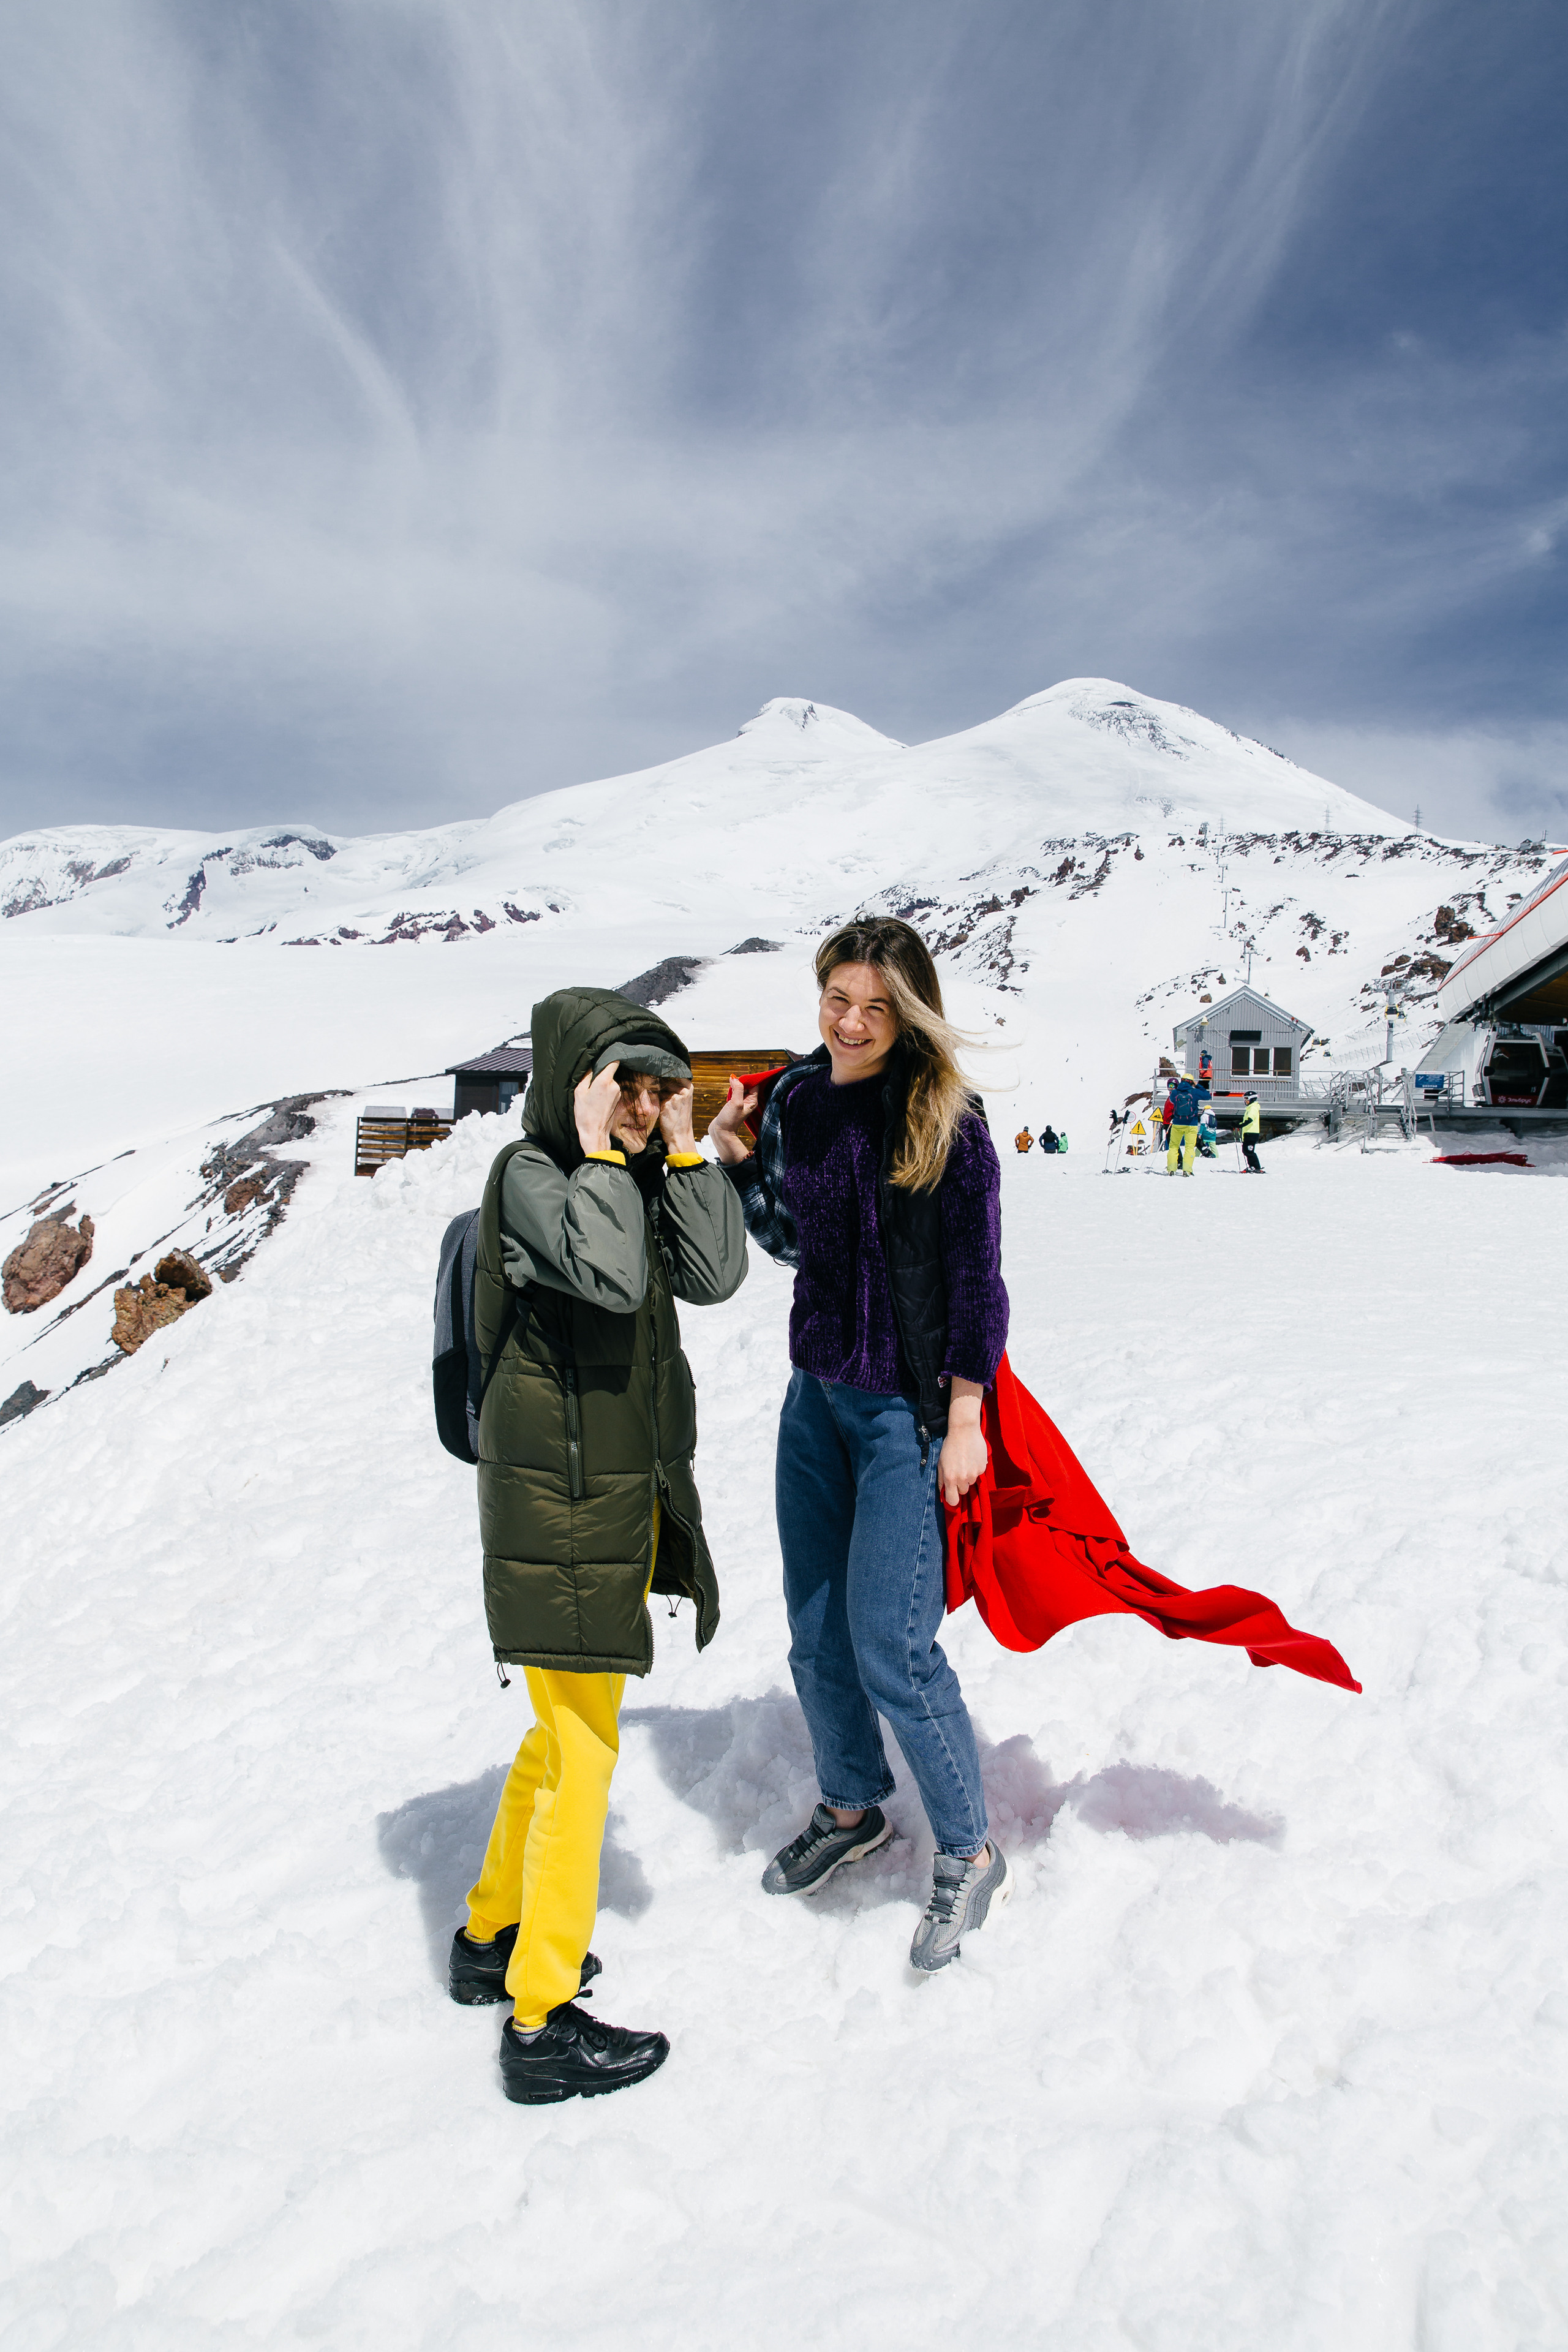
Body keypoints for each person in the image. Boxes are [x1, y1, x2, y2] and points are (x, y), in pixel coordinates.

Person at [454, 987, 749, 2103]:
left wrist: (682, 1156)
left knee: (562, 1728)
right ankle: (540, 2019)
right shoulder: (532, 1179)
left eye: (654, 1083)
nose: (639, 1102)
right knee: (583, 1752)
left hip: (610, 1494)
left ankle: (491, 1934)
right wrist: (594, 1155)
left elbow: (716, 1277)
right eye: (621, 1081)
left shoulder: (625, 1172)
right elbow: (620, 1277)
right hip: (560, 1510)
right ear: (573, 1082)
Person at [709, 918, 1012, 1973]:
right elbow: (794, 1242)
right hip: (815, 1401)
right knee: (814, 1631)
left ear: (909, 1010)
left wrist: (965, 1421)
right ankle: (852, 1805)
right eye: (838, 997)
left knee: (893, 1640)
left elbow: (978, 1283)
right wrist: (745, 1163)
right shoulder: (799, 1100)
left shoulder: (946, 1118)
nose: (849, 1021)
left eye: (875, 1006)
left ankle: (970, 1850)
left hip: (908, 1415)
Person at [1166, 1069, 1202, 1175]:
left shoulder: (1176, 1092)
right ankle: (1187, 1170)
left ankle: (1171, 1169)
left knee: (1173, 1147)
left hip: (1177, 1123)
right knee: (1190, 1148)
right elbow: (1206, 1094)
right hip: (1191, 1124)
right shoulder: (1195, 1092)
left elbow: (1172, 1102)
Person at [1241, 1091, 1264, 1173]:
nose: (1245, 1101)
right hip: (1248, 1133)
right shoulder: (1250, 1108)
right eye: (1244, 1099)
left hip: (1252, 1133)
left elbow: (1250, 1120)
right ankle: (1252, 1166)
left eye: (1247, 1098)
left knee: (1249, 1151)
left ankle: (1256, 1167)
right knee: (1245, 1150)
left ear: (1252, 1099)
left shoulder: (1253, 1108)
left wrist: (1241, 1125)